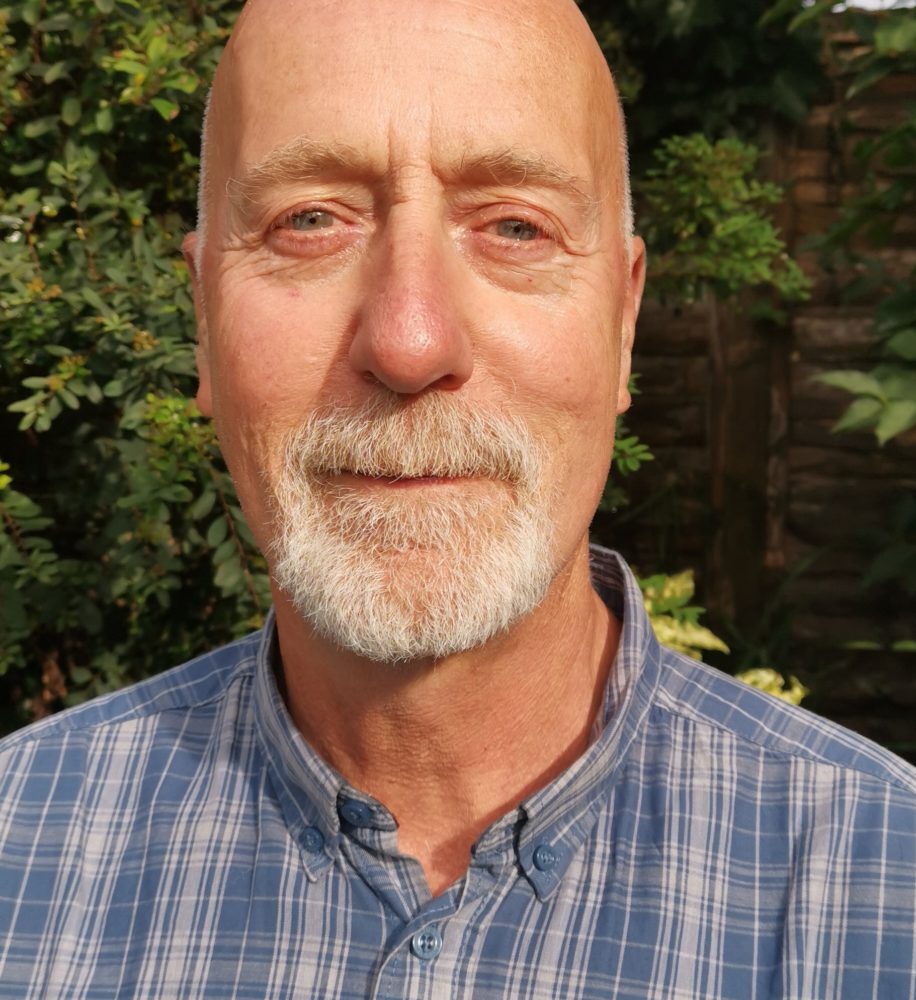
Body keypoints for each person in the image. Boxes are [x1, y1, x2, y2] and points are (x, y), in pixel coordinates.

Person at [1, 0, 914, 996]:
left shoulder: (881, 889)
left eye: (516, 226)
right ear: (203, 319)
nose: (408, 342)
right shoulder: (20, 845)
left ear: (623, 322)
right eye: (309, 221)